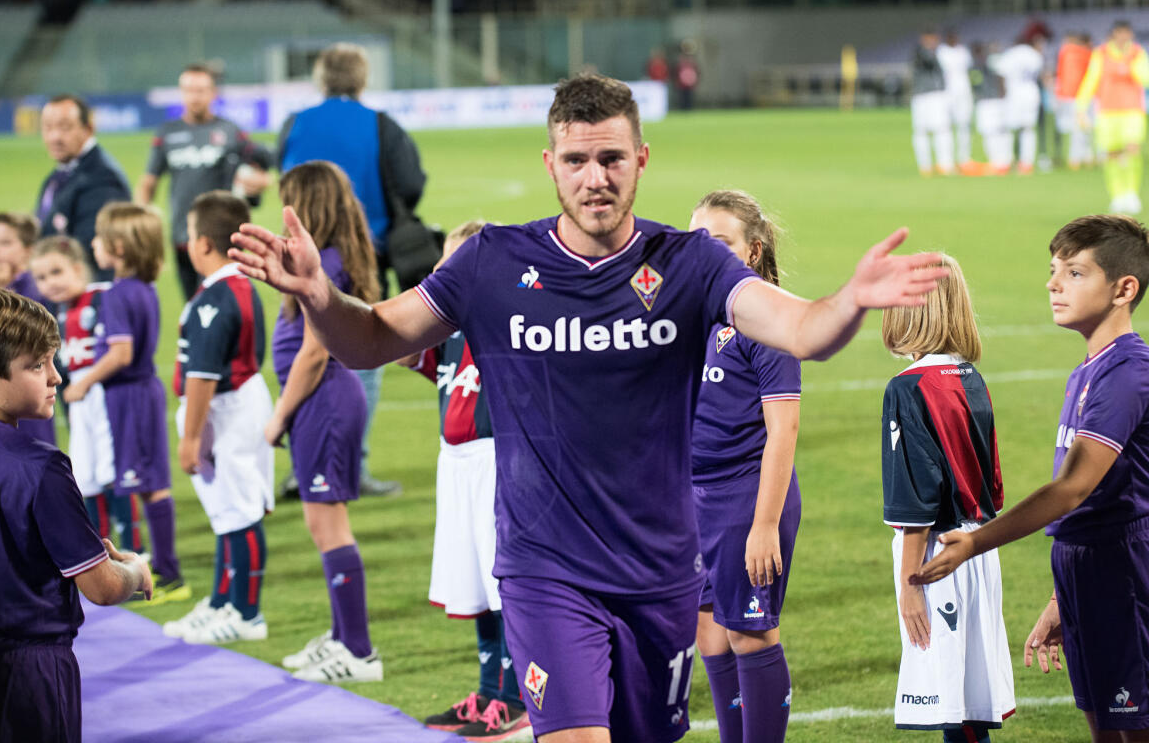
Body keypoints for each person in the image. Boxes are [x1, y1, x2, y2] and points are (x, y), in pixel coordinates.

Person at [231, 73, 947, 743]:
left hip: (660, 573)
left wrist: (849, 301)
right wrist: (319, 297)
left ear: (641, 160)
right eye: (576, 160)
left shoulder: (691, 263)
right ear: (551, 165)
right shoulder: (489, 263)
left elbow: (802, 330)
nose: (594, 177)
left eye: (610, 159)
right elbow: (371, 339)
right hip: (546, 570)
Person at [915, 215, 1149, 743]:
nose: (1053, 284)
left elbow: (1073, 488)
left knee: (1133, 726)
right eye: (1052, 270)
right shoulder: (1090, 368)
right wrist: (1061, 598)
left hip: (1121, 570)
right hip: (1086, 567)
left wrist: (975, 542)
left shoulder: (1128, 372)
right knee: (1106, 726)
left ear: (1124, 289)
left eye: (1074, 273)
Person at [0, 287, 151, 743]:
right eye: (37, 365)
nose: (56, 377)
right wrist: (135, 572)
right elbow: (102, 587)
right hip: (29, 675)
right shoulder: (41, 466)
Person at [279, 41, 428, 498]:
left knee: (299, 353)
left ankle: (304, 466)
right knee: (361, 359)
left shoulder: (295, 123)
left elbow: (284, 178)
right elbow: (411, 183)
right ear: (362, 78)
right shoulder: (379, 123)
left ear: (321, 77)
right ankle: (352, 467)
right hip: (363, 256)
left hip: (300, 256)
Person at [399, 221, 529, 740]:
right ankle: (488, 692)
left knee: (503, 586)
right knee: (473, 584)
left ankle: (517, 699)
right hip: (455, 466)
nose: (443, 275)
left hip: (497, 463)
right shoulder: (449, 328)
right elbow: (402, 350)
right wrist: (427, 291)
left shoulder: (507, 321)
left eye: (451, 266)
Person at [880, 253, 1015, 742]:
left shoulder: (907, 388)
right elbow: (991, 486)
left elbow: (916, 496)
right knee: (970, 706)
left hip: (937, 557)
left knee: (952, 708)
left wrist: (910, 583)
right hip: (977, 548)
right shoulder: (970, 377)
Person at [262, 162, 383, 682]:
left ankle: (358, 652)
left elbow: (314, 352)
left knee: (328, 524)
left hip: (324, 400)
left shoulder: (327, 264)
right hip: (323, 401)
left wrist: (278, 416)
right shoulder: (331, 257)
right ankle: (341, 638)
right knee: (322, 523)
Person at [688, 191, 800, 743]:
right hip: (693, 501)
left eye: (721, 242)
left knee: (750, 634)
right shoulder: (688, 316)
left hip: (745, 497)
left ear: (752, 251)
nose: (704, 252)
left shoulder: (768, 319)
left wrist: (764, 524)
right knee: (710, 633)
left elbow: (784, 429)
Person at [60, 204, 187, 603]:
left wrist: (83, 383)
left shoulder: (116, 295)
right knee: (147, 484)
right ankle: (162, 567)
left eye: (99, 238)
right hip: (140, 393)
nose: (93, 244)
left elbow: (121, 353)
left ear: (118, 247)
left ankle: (168, 574)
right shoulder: (143, 288)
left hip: (129, 396)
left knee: (148, 485)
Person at [165, 190, 273, 645]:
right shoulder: (232, 287)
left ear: (204, 244)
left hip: (227, 410)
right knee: (227, 511)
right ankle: (222, 601)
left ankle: (246, 614)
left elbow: (203, 375)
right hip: (234, 405)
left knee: (239, 511)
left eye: (190, 235)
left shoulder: (216, 299)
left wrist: (190, 438)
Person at [29, 236, 140, 554]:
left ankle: (133, 548)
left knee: (112, 470)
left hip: (104, 394)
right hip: (80, 400)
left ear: (78, 268)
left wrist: (87, 382)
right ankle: (98, 551)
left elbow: (121, 350)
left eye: (56, 272)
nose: (49, 283)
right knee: (84, 472)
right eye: (41, 277)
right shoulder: (60, 311)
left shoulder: (102, 298)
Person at [135, 63, 273, 300]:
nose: (194, 97)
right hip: (183, 236)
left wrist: (263, 180)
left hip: (223, 236)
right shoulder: (167, 133)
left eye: (200, 90)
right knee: (193, 304)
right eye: (188, 90)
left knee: (225, 302)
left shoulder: (230, 131)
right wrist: (141, 222)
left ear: (213, 93)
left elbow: (261, 165)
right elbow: (148, 182)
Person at [36, 94, 131, 279]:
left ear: (88, 129)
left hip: (86, 289)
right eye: (48, 127)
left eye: (65, 127)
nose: (55, 137)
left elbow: (87, 251)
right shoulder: (61, 173)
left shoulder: (102, 178)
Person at [0, 212, 56, 447]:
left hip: (27, 387)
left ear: (27, 250)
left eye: (5, 243)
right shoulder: (1, 285)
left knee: (31, 450)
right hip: (2, 387)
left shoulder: (33, 289)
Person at [1074, 21, 1149, 214]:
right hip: (1107, 111)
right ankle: (1117, 195)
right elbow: (1091, 79)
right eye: (1119, 33)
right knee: (1112, 153)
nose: (1123, 37)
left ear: (1130, 35)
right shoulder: (1101, 53)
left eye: (1126, 34)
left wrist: (1131, 66)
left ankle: (1132, 192)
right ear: (1114, 35)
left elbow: (1145, 78)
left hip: (1132, 110)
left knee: (1132, 148)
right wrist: (1081, 106)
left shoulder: (1137, 53)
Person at [990, 32, 1047, 176]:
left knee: (1009, 129)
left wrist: (1002, 94)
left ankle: (1006, 161)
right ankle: (1026, 163)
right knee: (1028, 129)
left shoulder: (1011, 54)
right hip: (1031, 93)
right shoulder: (1034, 55)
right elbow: (1041, 75)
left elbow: (1001, 74)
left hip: (1013, 94)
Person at [911, 30, 955, 176]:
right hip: (923, 95)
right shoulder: (920, 52)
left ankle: (945, 164)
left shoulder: (940, 52)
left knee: (942, 129)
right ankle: (925, 165)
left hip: (937, 95)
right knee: (921, 131)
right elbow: (928, 60)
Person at [1055, 32, 1096, 171]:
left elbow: (1060, 74)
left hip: (1068, 96)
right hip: (1084, 96)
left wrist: (1059, 94)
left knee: (1076, 128)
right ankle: (1083, 157)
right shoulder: (1087, 54)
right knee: (1085, 127)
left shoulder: (1065, 53)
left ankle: (1077, 158)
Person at [938, 30, 977, 172]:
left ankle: (964, 159)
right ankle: (946, 161)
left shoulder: (963, 51)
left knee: (964, 124)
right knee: (944, 126)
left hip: (964, 91)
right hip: (946, 92)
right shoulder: (941, 52)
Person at [970, 42, 1012, 176]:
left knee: (992, 133)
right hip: (997, 101)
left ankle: (998, 163)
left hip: (989, 102)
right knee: (999, 131)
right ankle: (1003, 162)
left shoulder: (983, 64)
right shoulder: (996, 62)